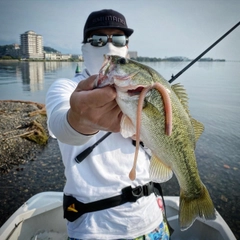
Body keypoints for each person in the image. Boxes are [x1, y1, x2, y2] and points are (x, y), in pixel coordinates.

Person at [46, 9, 170, 240]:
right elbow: (60, 127)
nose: (109, 46)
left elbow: (161, 144)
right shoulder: (64, 88)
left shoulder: (144, 91)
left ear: (127, 46)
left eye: (119, 39)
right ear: (85, 46)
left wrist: (143, 134)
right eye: (98, 39)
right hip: (93, 229)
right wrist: (81, 120)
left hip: (150, 220)